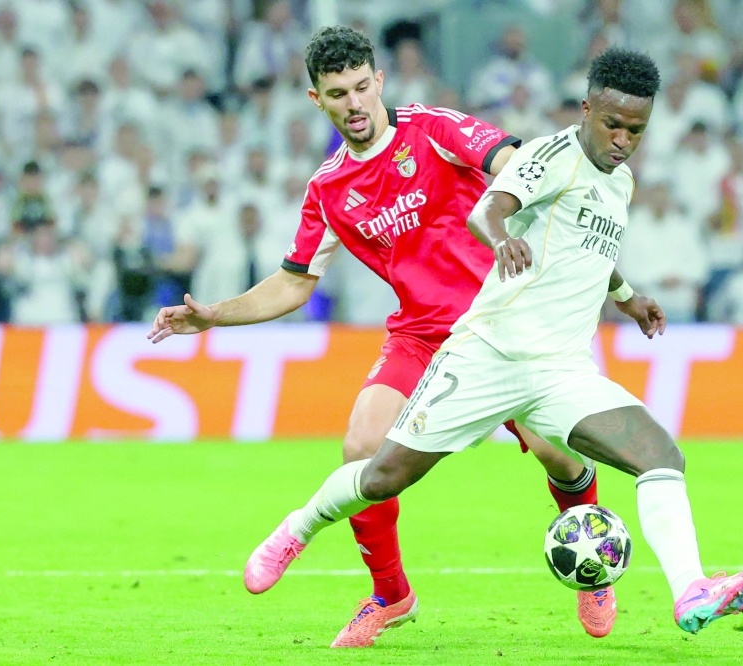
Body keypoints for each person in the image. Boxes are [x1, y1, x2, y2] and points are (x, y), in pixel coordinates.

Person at [241, 46, 743, 641]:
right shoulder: (548, 155)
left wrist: (625, 294)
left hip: (559, 370)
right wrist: (500, 237)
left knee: (660, 457)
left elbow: (584, 249)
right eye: (613, 125)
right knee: (380, 472)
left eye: (636, 130)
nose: (623, 140)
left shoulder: (617, 181)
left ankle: (692, 590)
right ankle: (301, 526)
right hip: (486, 356)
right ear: (587, 108)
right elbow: (491, 207)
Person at [148, 26, 610, 646]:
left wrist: (520, 195)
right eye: (338, 93)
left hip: (503, 322)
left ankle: (592, 570)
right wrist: (213, 316)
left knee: (560, 454)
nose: (354, 103)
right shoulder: (329, 190)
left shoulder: (434, 130)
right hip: (420, 335)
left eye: (362, 86)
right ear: (317, 99)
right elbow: (292, 284)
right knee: (360, 446)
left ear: (380, 81)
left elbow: (509, 162)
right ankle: (391, 595)